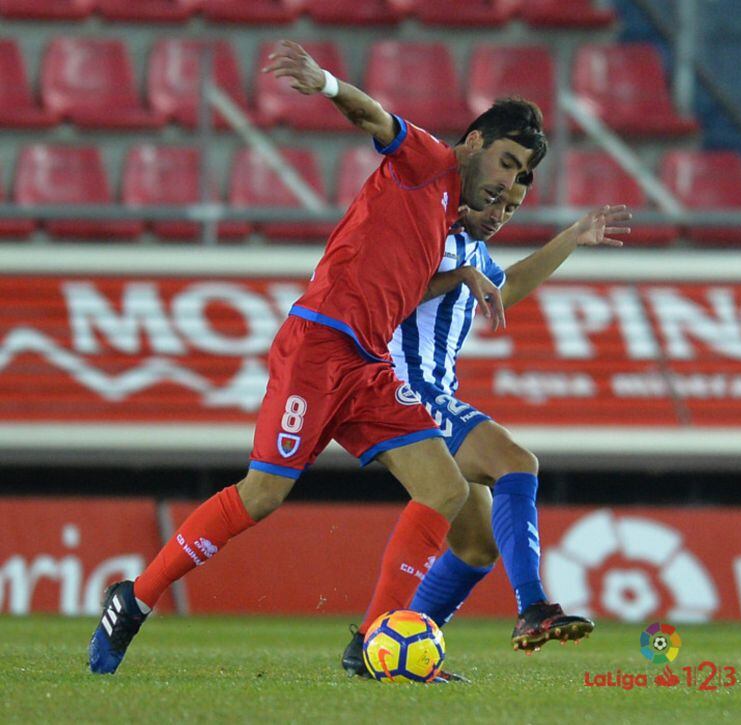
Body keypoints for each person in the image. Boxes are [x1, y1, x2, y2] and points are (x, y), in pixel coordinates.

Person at [88, 40, 547, 674]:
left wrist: (467, 275)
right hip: (319, 346)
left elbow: (419, 276)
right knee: (262, 496)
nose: (506, 180)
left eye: (519, 174)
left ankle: (372, 643)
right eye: (505, 161)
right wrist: (326, 82)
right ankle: (135, 599)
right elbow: (375, 119)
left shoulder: (450, 213)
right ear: (472, 142)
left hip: (368, 367)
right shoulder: (428, 160)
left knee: (443, 489)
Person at [341, 177, 631, 678]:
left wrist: (569, 238)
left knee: (476, 544)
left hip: (434, 393)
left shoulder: (473, 250)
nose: (500, 214)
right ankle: (533, 606)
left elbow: (507, 287)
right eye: (495, 199)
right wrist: (461, 276)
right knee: (515, 462)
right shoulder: (430, 236)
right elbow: (393, 291)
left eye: (512, 208)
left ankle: (375, 653)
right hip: (402, 388)